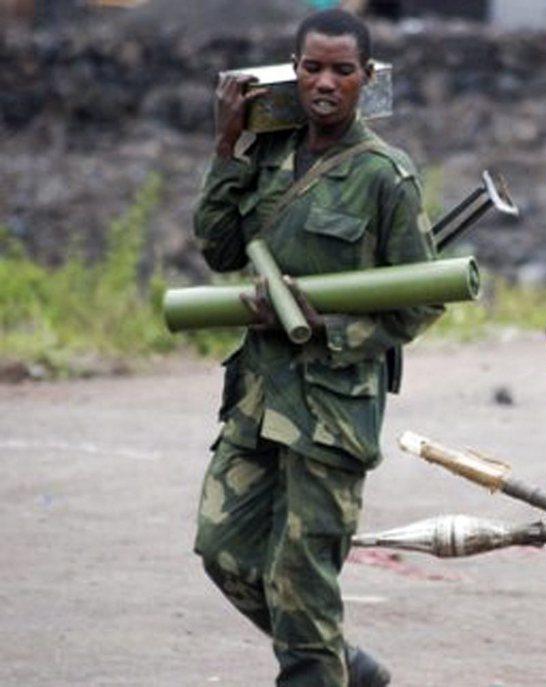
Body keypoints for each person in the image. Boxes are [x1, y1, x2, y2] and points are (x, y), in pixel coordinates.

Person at [191, 9, 442, 686]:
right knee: (222, 550)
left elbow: (421, 300)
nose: (324, 83)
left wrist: (326, 327)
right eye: (311, 67)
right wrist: (226, 146)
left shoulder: (386, 175)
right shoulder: (267, 153)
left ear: (367, 79)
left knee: (303, 579)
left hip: (330, 411)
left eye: (341, 70)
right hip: (257, 398)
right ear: (292, 71)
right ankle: (337, 661)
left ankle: (315, 665)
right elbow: (217, 247)